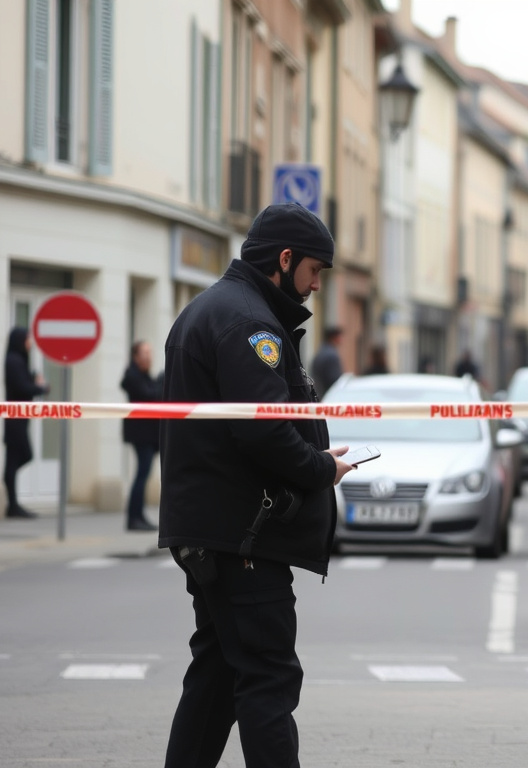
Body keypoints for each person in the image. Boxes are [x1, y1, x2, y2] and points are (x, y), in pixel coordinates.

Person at [159, 202, 355, 768]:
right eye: (314, 270)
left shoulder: (218, 310)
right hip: (244, 539)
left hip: (219, 534)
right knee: (268, 679)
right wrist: (322, 468)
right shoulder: (249, 324)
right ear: (285, 259)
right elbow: (264, 430)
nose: (317, 285)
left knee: (219, 677)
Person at [2, 327, 48, 519]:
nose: (30, 343)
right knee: (22, 455)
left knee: (15, 458)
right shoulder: (14, 361)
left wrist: (35, 383)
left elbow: (23, 383)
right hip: (15, 418)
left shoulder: (18, 360)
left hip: (19, 417)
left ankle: (12, 503)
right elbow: (21, 387)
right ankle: (12, 501)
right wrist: (40, 387)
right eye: (27, 339)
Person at [120, 341, 161, 532]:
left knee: (143, 475)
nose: (148, 356)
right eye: (144, 352)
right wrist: (160, 384)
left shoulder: (142, 375)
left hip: (147, 434)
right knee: (141, 475)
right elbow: (149, 395)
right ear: (135, 356)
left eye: (150, 352)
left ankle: (139, 515)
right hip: (141, 434)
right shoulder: (133, 376)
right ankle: (133, 518)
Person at [310, 326, 344, 396]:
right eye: (339, 336)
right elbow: (334, 380)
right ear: (334, 337)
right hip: (327, 395)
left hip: (319, 393)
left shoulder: (322, 351)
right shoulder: (331, 355)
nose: (341, 339)